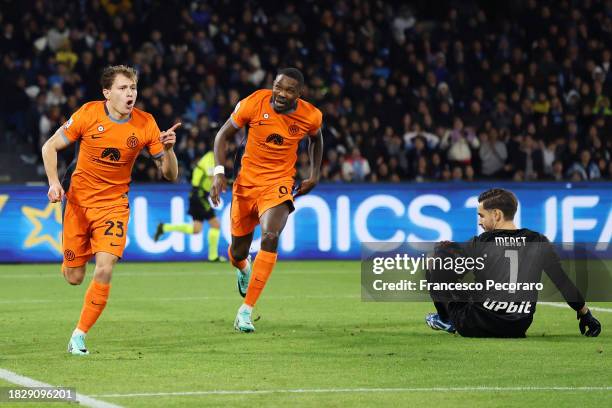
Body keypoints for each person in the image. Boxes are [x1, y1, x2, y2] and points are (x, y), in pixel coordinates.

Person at [41, 65, 180, 355]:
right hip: (78, 202)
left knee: (105, 267)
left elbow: (170, 175)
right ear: (107, 93)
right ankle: (71, 259)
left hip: (114, 205)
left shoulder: (145, 123)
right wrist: (54, 183)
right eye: (123, 88)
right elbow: (50, 147)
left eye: (133, 88)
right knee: (74, 277)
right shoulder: (88, 114)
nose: (130, 94)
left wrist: (168, 150)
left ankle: (79, 335)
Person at [210, 68, 323, 332]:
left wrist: (314, 174)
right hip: (245, 185)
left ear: (299, 94)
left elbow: (316, 139)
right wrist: (218, 173)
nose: (282, 94)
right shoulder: (253, 103)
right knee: (237, 251)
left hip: (279, 184)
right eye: (278, 87)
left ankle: (245, 311)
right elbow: (222, 136)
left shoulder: (311, 115)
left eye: (289, 90)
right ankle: (243, 267)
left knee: (271, 236)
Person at [425, 188, 601, 338]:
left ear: (496, 214)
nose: (479, 221)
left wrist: (442, 253)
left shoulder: (480, 242)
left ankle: (446, 319)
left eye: (481, 215)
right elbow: (562, 281)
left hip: (475, 325)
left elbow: (448, 275)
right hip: (518, 326)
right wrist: (585, 313)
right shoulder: (538, 241)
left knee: (435, 260)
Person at [153, 150, 225, 262]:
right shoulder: (210, 158)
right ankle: (213, 256)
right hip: (199, 195)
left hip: (197, 195)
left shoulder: (211, 158)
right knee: (215, 224)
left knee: (196, 229)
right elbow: (212, 177)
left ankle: (164, 227)